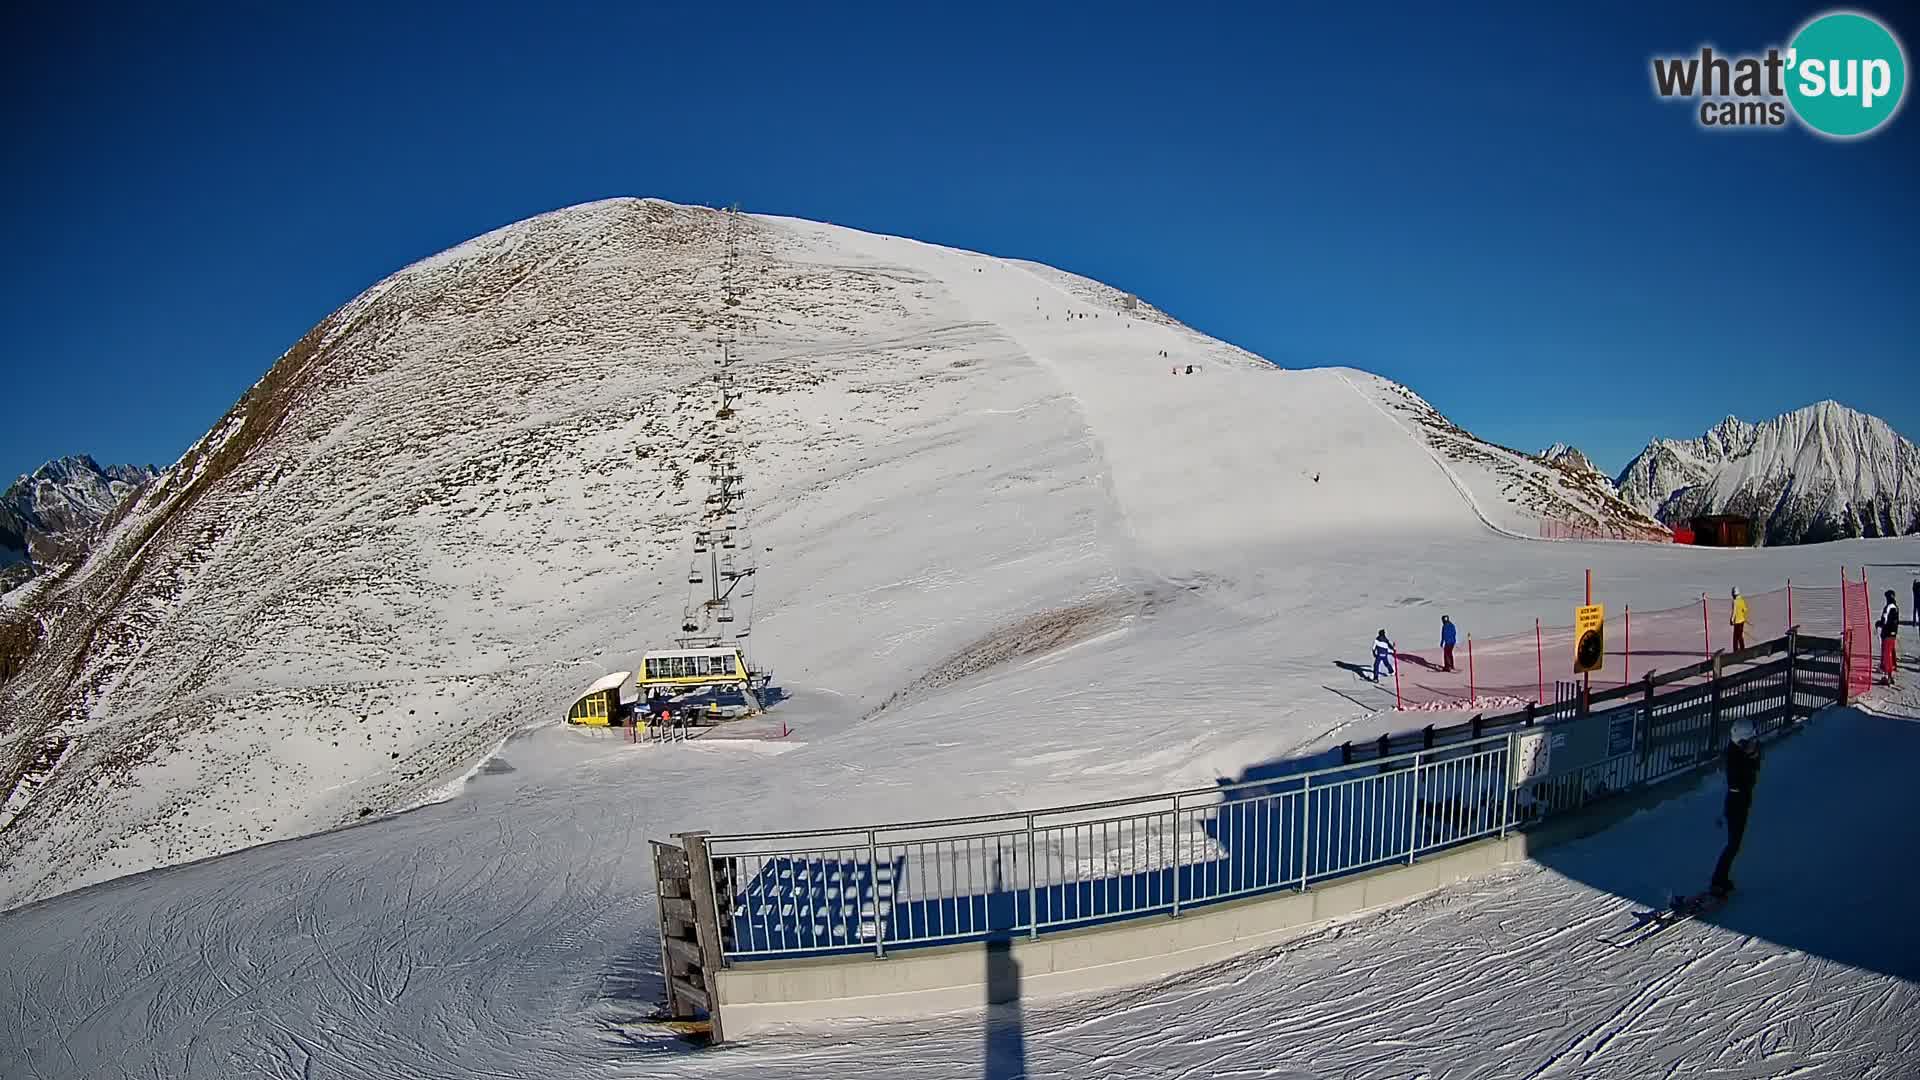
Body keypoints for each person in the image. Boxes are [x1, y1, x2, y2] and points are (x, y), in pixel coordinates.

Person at [1710, 718, 1761, 898]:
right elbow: (1740, 779)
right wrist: (1749, 758)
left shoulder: (1743, 750)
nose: (1755, 741)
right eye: (1752, 739)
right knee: (1733, 844)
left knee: (1735, 844)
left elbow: (1757, 765)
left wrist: (1753, 755)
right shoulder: (1734, 755)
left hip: (1741, 800)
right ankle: (1717, 881)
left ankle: (1721, 879)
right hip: (1736, 801)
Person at [1878, 590, 1901, 685]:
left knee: (1886, 654)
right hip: (1893, 634)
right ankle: (1890, 675)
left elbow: (1884, 620)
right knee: (1890, 653)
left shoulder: (1888, 607)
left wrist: (1879, 623)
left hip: (1887, 634)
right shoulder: (1896, 607)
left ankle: (1887, 676)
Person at [1729, 587, 1749, 651]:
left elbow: (1734, 612)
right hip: (1742, 621)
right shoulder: (1741, 600)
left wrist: (1731, 620)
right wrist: (1742, 614)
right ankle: (1742, 649)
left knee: (1735, 637)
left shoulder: (1735, 601)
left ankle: (1736, 650)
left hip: (1737, 622)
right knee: (1740, 636)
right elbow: (1745, 609)